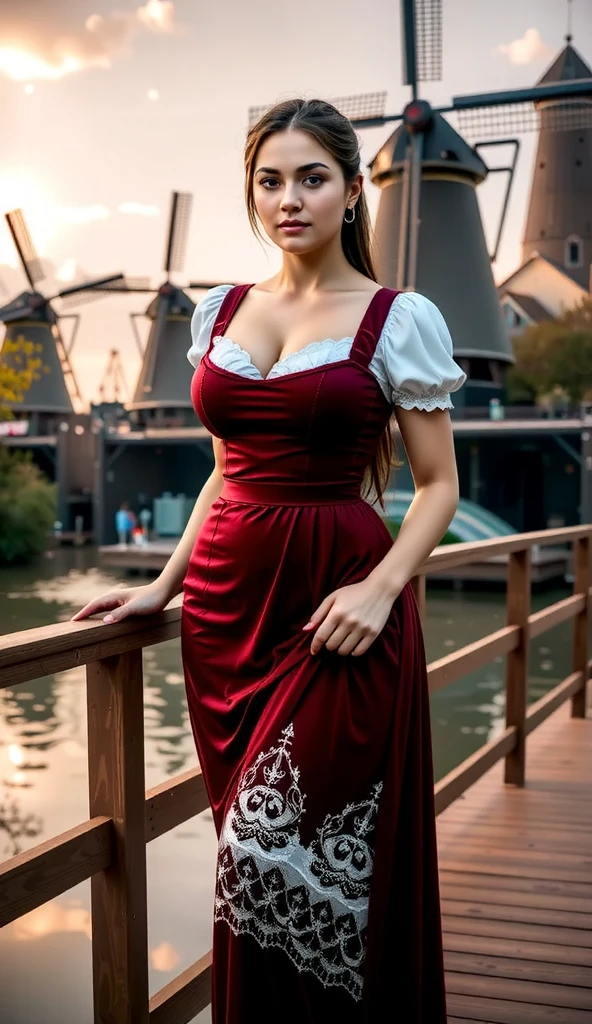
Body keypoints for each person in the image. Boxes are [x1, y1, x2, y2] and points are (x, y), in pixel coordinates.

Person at [73, 97, 466, 1023]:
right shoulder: (221, 311)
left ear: (352, 187)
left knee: (275, 855)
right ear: (252, 192)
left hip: (340, 612)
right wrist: (159, 589)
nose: (289, 198)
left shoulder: (395, 316)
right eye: (270, 180)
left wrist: (380, 587)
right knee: (253, 876)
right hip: (221, 616)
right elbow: (222, 476)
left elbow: (441, 484)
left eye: (312, 177)